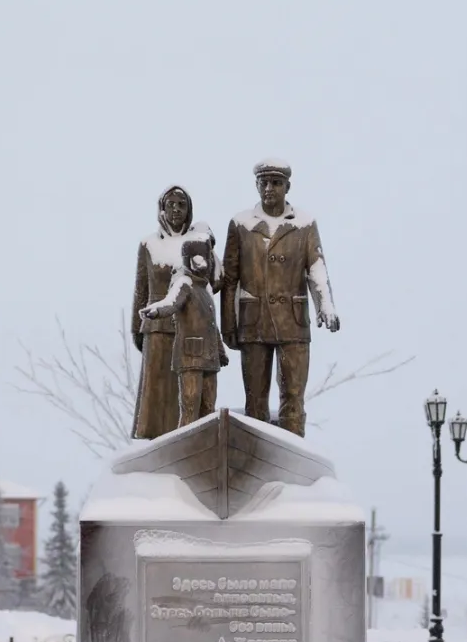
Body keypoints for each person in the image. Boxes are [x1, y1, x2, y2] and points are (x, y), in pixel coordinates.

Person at [219, 158, 339, 436]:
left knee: (293, 398)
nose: (269, 188)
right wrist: (228, 324)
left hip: (293, 323)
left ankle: (291, 457)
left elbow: (317, 269)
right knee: (255, 401)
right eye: (264, 183)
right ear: (257, 186)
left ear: (287, 186)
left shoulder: (305, 224)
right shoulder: (241, 224)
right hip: (253, 323)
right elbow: (230, 280)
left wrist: (326, 306)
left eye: (276, 183)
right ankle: (257, 459)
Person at [130, 186, 212, 439]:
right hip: (155, 329)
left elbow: (214, 280)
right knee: (156, 390)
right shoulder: (149, 244)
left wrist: (210, 240)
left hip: (188, 327)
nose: (176, 209)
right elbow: (140, 289)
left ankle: (184, 440)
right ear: (162, 208)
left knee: (185, 392)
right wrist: (137, 327)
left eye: (181, 204)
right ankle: (153, 440)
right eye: (171, 204)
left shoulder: (197, 243)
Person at [140, 235, 228, 426]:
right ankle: (186, 446)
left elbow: (211, 326)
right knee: (190, 405)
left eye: (204, 257)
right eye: (196, 257)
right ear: (188, 259)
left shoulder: (205, 289)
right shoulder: (184, 283)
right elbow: (171, 303)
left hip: (210, 359)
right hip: (190, 356)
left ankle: (206, 446)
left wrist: (220, 352)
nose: (201, 262)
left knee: (208, 408)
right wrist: (157, 310)